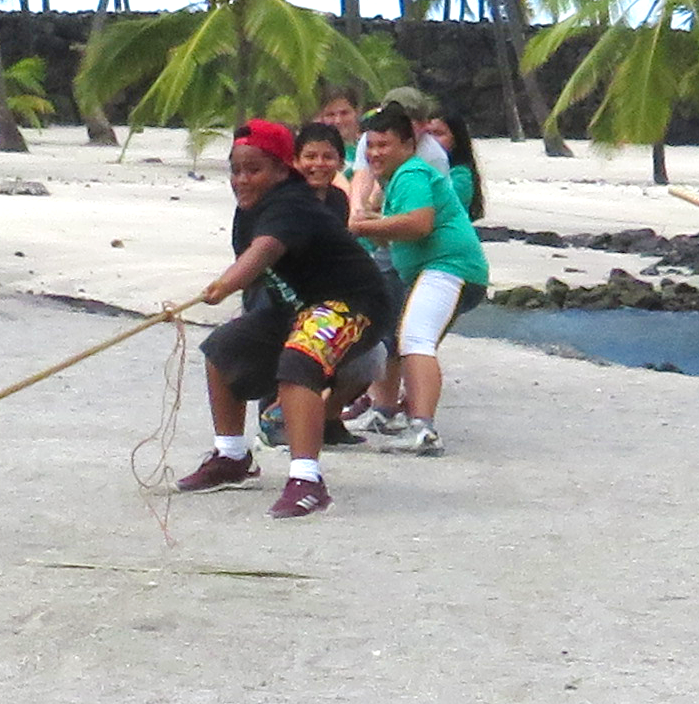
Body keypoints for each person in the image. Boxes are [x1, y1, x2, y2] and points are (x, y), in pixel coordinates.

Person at [174, 122, 398, 521]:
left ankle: (307, 481)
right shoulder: (249, 211)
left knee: (299, 362)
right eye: (235, 170)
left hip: (351, 303)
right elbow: (263, 278)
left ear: (281, 170)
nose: (241, 180)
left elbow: (262, 253)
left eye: (253, 169)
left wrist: (222, 285)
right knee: (224, 348)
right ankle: (231, 456)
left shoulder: (290, 203)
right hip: (295, 307)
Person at [341, 103, 486, 455]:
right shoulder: (395, 180)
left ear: (407, 145)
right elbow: (396, 231)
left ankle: (423, 428)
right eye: (371, 146)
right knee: (398, 335)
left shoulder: (411, 173)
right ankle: (388, 412)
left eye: (384, 145)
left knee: (416, 339)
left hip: (448, 266)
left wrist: (363, 224)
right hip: (434, 269)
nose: (375, 153)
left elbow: (419, 223)